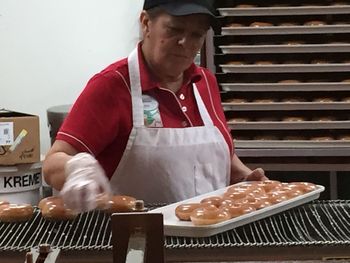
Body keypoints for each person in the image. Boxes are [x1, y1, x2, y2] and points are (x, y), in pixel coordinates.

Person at [42, 0, 267, 213]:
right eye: (174, 30)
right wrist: (76, 170)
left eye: (196, 35)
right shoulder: (112, 86)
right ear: (146, 23)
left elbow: (220, 158)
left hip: (209, 241)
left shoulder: (205, 83)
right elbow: (52, 163)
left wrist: (245, 179)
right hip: (135, 242)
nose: (185, 43)